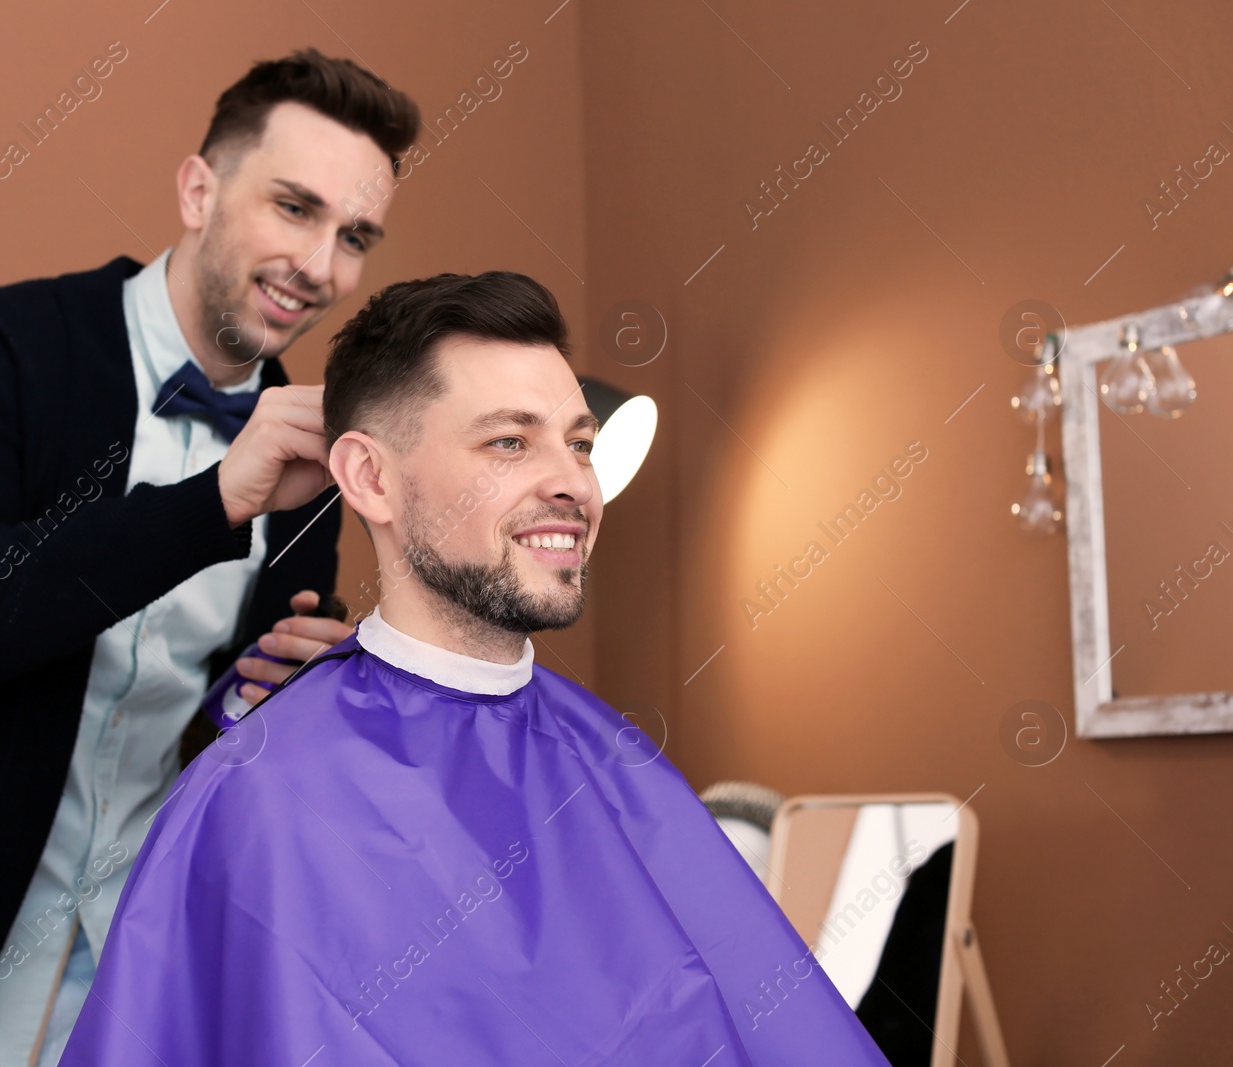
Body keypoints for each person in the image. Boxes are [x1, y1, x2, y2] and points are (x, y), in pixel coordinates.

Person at [57, 272, 890, 1065]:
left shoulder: (621, 766)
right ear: (370, 477)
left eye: (579, 445)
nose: (573, 483)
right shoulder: (255, 798)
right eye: (509, 441)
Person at [0, 50, 420, 1067]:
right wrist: (212, 502)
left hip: (125, 985)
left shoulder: (314, 442)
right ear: (198, 190)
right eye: (293, 207)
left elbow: (220, 751)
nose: (320, 265)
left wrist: (278, 698)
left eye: (354, 237)